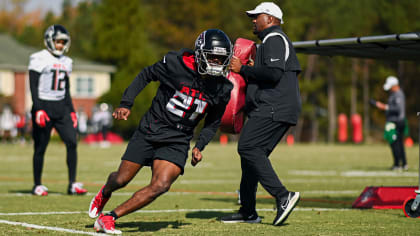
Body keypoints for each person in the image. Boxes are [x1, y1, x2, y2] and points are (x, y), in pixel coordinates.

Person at [88, 29, 233, 234]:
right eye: (213, 57)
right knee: (121, 179)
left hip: (178, 138)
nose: (217, 63)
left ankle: (109, 218)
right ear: (200, 53)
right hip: (151, 128)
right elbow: (146, 74)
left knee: (161, 185)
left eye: (222, 59)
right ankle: (105, 191)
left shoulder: (223, 88)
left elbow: (213, 121)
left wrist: (200, 145)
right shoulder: (176, 64)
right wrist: (126, 103)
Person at [221, 2, 301, 226]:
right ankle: (248, 212)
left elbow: (274, 74)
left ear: (271, 18)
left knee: (247, 147)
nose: (253, 20)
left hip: (275, 106)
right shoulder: (269, 41)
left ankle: (283, 196)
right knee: (251, 158)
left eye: (257, 16)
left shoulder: (274, 39)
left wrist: (242, 69)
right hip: (275, 106)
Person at [28, 24, 87, 196]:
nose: (60, 45)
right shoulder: (38, 58)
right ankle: (37, 185)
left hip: (61, 107)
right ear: (49, 41)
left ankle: (72, 184)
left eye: (63, 42)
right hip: (43, 106)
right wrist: (38, 108)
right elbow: (33, 86)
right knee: (40, 147)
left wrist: (71, 110)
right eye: (58, 41)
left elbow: (66, 89)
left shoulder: (67, 62)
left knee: (72, 142)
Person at [373, 76, 407, 171]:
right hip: (394, 122)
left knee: (396, 143)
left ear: (394, 85)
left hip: (397, 122)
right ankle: (402, 163)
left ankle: (399, 164)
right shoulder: (393, 94)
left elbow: (398, 109)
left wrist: (385, 107)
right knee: (398, 143)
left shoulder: (398, 94)